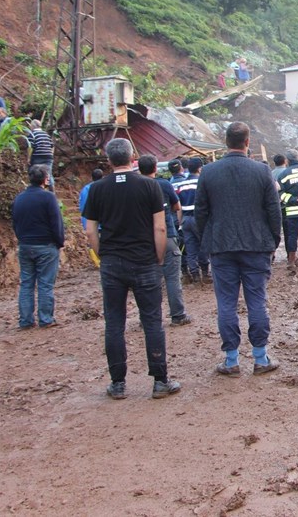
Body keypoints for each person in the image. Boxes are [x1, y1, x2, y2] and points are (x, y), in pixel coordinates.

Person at [82, 138, 181, 400]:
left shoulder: (96, 189)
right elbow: (160, 227)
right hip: (145, 260)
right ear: (132, 157)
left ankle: (118, 384)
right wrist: (158, 257)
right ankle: (160, 381)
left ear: (108, 160)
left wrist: (103, 255)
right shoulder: (149, 186)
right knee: (152, 321)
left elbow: (90, 231)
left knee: (114, 322)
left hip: (112, 263)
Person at [195, 122, 281, 376]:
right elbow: (273, 210)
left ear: (226, 142)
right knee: (257, 301)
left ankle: (231, 360)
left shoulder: (208, 172)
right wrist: (273, 241)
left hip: (221, 246)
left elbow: (201, 212)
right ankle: (260, 358)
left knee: (226, 303)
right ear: (247, 142)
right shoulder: (262, 171)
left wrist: (209, 239)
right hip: (256, 245)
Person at [138, 156, 190, 326]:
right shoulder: (164, 184)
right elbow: (177, 206)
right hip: (167, 235)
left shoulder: (135, 187)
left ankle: (148, 318)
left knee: (147, 281)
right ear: (155, 168)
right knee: (172, 278)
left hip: (144, 239)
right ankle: (178, 315)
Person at [12, 165, 64, 329]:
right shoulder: (48, 198)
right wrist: (59, 242)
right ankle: (46, 319)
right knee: (45, 283)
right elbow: (56, 223)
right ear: (45, 179)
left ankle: (25, 320)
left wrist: (21, 239)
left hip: (25, 245)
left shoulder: (19, 198)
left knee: (26, 283)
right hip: (46, 246)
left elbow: (15, 223)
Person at [174, 157, 209, 283]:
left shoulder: (181, 185)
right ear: (200, 169)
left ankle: (194, 274)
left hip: (185, 219)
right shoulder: (201, 183)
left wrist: (180, 222)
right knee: (203, 245)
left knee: (190, 247)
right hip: (199, 219)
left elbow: (178, 207)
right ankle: (205, 273)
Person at [26, 120, 55, 190]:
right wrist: (51, 153)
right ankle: (51, 190)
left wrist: (28, 158)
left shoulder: (32, 134)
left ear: (32, 126)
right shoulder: (46, 134)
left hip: (37, 157)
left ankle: (36, 189)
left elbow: (30, 147)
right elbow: (52, 145)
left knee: (35, 173)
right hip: (48, 157)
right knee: (48, 174)